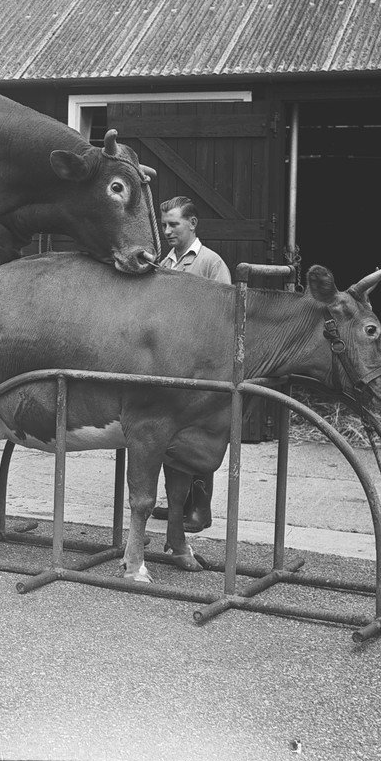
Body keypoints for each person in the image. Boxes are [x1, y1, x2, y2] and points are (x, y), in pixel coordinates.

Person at [153, 196, 231, 532]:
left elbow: (226, 316)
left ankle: (200, 508)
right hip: (169, 365)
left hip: (202, 367)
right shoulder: (164, 264)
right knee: (170, 436)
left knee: (198, 437)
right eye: (165, 225)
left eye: (174, 224)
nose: (167, 231)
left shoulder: (211, 264)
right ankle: (176, 505)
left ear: (192, 224)